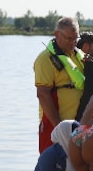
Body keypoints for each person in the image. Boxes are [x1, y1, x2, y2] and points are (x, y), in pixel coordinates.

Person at [35, 17, 85, 152]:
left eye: (76, 39)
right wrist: (58, 128)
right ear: (56, 34)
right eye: (69, 39)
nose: (73, 43)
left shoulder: (78, 56)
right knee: (54, 167)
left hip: (78, 125)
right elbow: (43, 94)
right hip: (54, 125)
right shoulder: (45, 59)